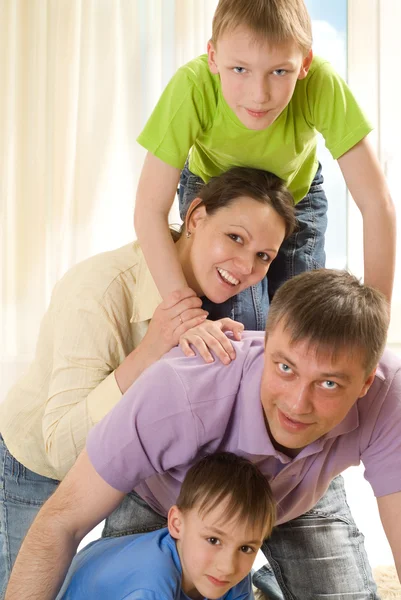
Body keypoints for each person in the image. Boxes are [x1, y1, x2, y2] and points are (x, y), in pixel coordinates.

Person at [6, 269, 401, 600]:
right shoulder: (178, 391)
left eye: (329, 384)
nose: (298, 404)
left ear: (366, 384)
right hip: (169, 499)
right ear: (265, 347)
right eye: (285, 368)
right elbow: (62, 521)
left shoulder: (389, 395)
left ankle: (267, 581)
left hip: (302, 490)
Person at [0, 167, 295, 598]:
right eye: (235, 238)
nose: (244, 267)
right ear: (195, 217)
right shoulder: (97, 292)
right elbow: (59, 450)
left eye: (263, 256)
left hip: (137, 469)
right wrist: (152, 350)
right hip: (39, 469)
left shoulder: (220, 298)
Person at [134, 0, 396, 325]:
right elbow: (149, 209)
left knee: (303, 322)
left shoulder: (321, 84)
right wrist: (186, 317)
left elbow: (376, 203)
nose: (259, 95)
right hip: (217, 193)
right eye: (240, 69)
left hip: (295, 193)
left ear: (305, 64)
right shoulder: (193, 86)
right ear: (213, 57)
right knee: (243, 320)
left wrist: (377, 320)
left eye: (279, 71)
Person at [56, 452, 275, 599]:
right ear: (177, 524)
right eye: (213, 540)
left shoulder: (227, 572)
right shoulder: (151, 584)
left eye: (246, 548)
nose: (228, 566)